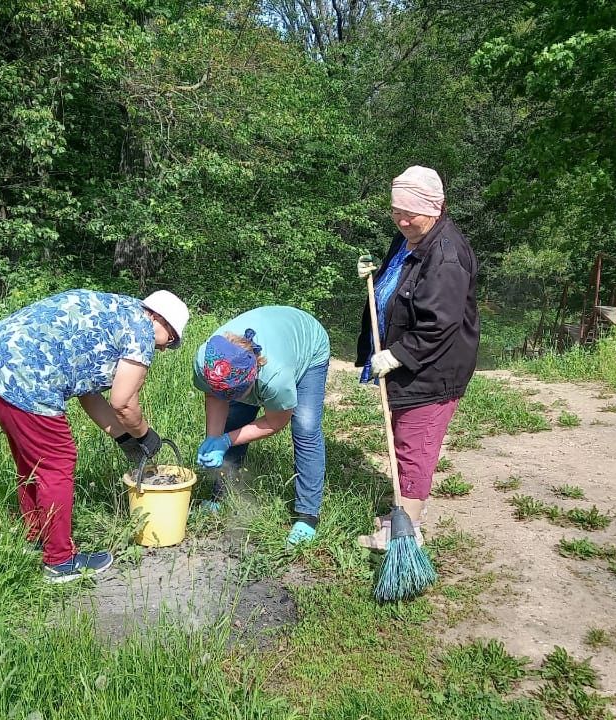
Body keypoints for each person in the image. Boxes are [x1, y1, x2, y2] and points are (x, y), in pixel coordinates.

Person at [0, 289, 189, 583]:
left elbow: (89, 394)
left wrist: (124, 439)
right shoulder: (141, 332)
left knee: (32, 459)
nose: (163, 350)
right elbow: (123, 402)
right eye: (170, 342)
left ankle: (37, 536)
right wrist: (145, 435)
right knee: (58, 462)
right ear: (161, 320)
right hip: (25, 379)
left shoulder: (117, 311)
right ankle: (59, 561)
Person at [354, 165, 479, 549]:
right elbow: (402, 280)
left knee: (415, 444)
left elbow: (438, 326)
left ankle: (406, 531)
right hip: (411, 363)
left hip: (432, 369)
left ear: (436, 207)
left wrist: (396, 356)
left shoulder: (446, 257)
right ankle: (402, 513)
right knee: (403, 435)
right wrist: (377, 275)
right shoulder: (411, 236)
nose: (403, 220)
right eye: (397, 211)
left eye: (411, 213)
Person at [191, 306, 331, 545]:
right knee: (235, 417)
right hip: (272, 338)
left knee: (305, 428)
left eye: (237, 391)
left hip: (308, 343)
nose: (230, 396)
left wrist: (226, 440)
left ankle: (308, 515)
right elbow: (215, 396)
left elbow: (275, 422)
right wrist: (214, 438)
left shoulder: (276, 377)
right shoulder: (207, 360)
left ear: (253, 374)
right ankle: (221, 493)